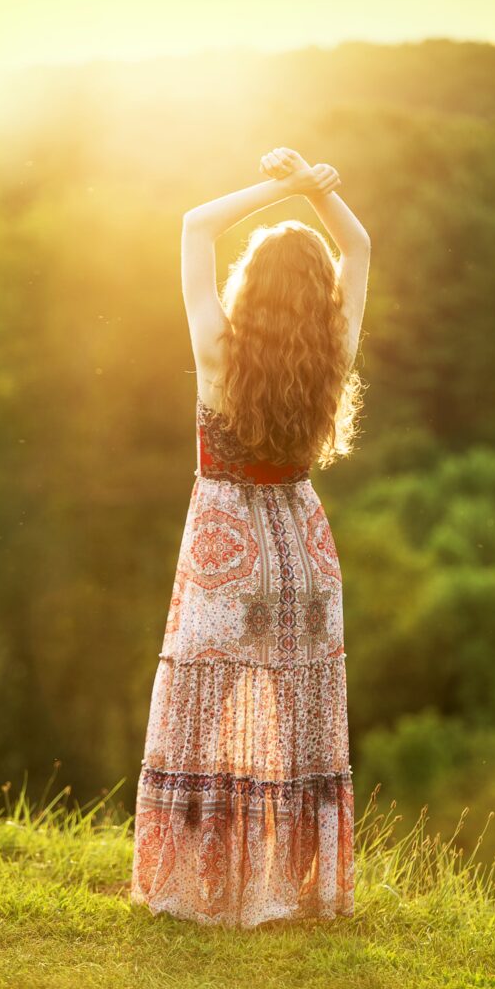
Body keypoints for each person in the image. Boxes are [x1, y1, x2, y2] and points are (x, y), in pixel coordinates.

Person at [130, 147, 371, 928]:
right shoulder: (332, 348)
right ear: (318, 298)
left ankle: (199, 887)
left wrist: (282, 188)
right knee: (298, 714)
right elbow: (360, 250)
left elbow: (196, 225)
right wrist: (323, 195)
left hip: (225, 548)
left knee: (206, 718)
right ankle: (291, 890)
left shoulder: (217, 352)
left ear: (249, 288)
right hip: (303, 549)